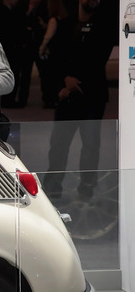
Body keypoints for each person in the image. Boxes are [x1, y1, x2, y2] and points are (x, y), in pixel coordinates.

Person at [42, 0, 117, 199]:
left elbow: (97, 58)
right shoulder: (65, 24)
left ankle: (86, 188)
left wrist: (71, 83)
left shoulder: (104, 26)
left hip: (92, 95)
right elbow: (55, 57)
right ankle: (53, 187)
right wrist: (64, 81)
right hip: (66, 96)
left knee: (91, 145)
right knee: (58, 143)